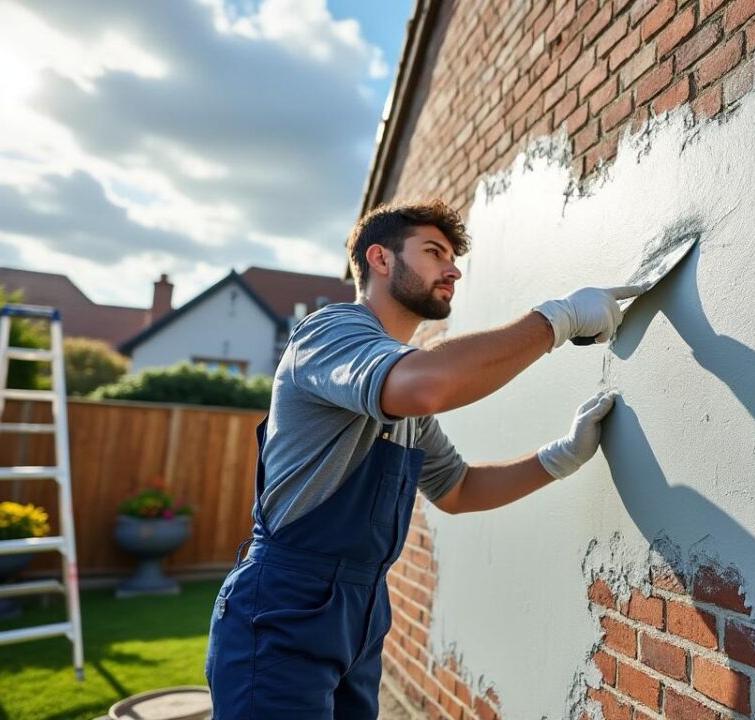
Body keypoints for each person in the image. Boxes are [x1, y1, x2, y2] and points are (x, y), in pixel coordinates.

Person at [204, 201, 637, 718]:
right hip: (283, 608)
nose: (452, 268)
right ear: (380, 260)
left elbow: (457, 490)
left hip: (361, 613)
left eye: (454, 258)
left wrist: (562, 456)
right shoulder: (329, 333)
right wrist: (557, 320)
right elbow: (427, 384)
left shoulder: (401, 398)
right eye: (434, 252)